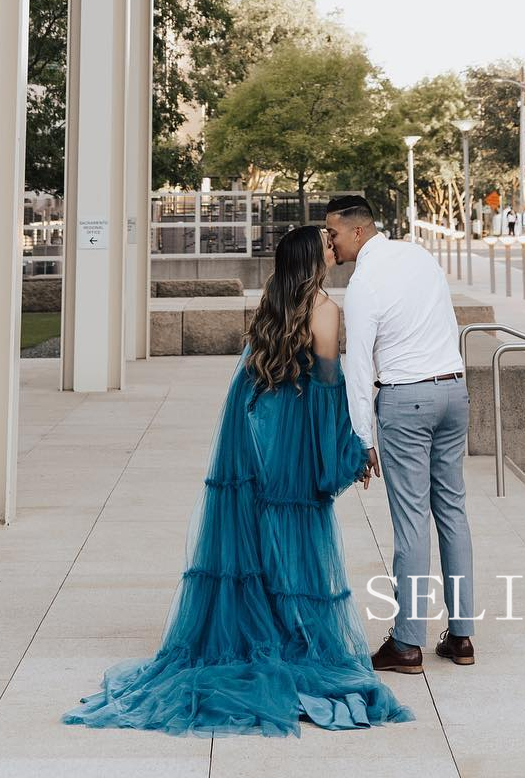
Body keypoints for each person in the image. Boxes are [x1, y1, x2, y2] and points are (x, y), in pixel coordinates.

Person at [63, 225, 414, 738]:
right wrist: (350, 449)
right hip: (290, 435)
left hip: (253, 430)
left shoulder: (274, 304)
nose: (332, 247)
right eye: (324, 244)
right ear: (312, 260)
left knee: (254, 532)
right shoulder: (324, 310)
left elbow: (254, 378)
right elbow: (326, 390)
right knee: (292, 534)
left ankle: (258, 625)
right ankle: (288, 633)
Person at [325, 193, 476, 675]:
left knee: (411, 521)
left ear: (357, 231)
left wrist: (362, 437)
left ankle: (408, 643)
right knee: (452, 511)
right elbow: (447, 322)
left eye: (333, 232)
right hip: (452, 390)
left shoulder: (364, 282)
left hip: (406, 399)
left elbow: (358, 365)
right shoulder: (419, 256)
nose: (330, 241)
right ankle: (462, 636)